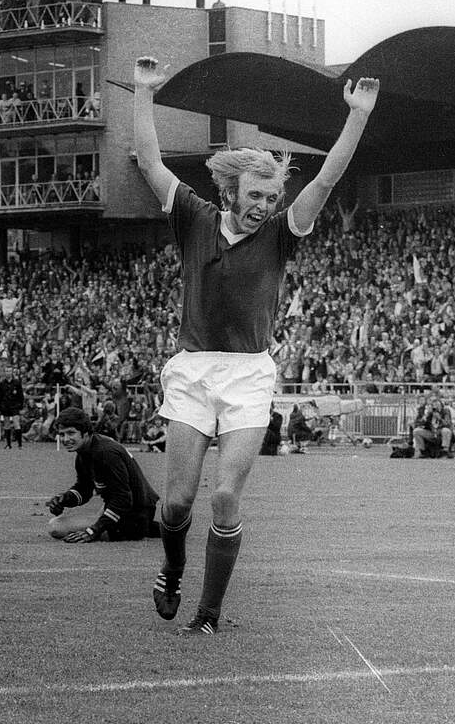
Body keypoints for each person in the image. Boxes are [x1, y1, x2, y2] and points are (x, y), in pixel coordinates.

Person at [132, 55, 378, 634]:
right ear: (229, 189)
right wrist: (144, 92)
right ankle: (173, 565)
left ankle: (209, 612)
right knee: (175, 505)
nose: (265, 205)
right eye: (256, 194)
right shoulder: (192, 216)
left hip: (248, 375)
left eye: (271, 196)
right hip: (193, 370)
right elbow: (149, 160)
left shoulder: (280, 234)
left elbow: (327, 179)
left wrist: (358, 116)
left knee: (223, 496)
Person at [45, 408, 161, 542]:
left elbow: (123, 498)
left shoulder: (105, 453)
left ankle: (142, 529)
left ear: (86, 432)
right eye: (62, 434)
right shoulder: (85, 452)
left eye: (71, 433)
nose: (66, 439)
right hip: (121, 508)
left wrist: (94, 530)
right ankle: (159, 528)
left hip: (135, 512)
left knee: (56, 527)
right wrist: (64, 499)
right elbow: (84, 489)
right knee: (56, 525)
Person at [0, 366, 26, 448]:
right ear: (5, 372)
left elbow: (21, 396)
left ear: (12, 372)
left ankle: (20, 445)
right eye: (6, 371)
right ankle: (8, 444)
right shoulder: (2, 383)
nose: (8, 372)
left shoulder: (17, 382)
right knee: (6, 424)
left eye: (9, 371)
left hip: (15, 406)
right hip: (5, 406)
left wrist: (21, 407)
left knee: (16, 423)